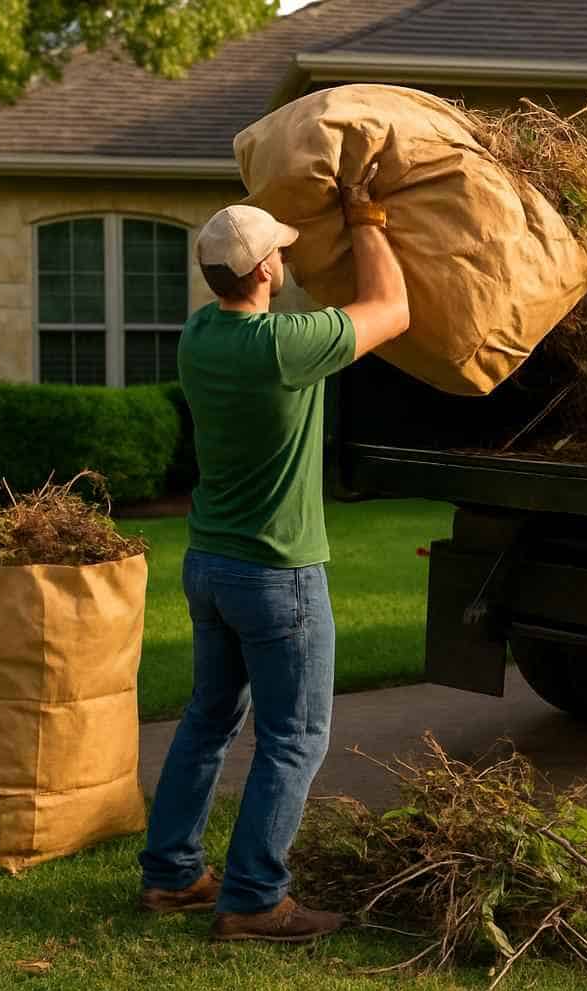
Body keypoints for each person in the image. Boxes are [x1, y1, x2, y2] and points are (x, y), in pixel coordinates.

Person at [136, 166, 409, 943]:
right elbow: (393, 308)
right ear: (262, 270)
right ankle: (255, 898)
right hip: (276, 575)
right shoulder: (285, 347)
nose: (286, 260)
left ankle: (173, 876)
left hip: (209, 566)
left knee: (209, 719)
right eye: (279, 253)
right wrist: (367, 219)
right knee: (294, 736)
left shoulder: (198, 335)